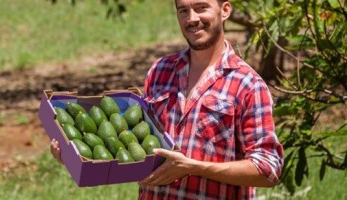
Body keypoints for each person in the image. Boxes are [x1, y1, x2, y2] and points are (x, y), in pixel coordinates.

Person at [51, 0, 284, 199]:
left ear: (225, 10)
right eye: (183, 10)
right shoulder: (160, 71)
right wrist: (77, 156)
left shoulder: (247, 85)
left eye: (201, 7)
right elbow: (131, 143)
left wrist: (195, 168)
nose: (192, 19)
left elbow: (268, 169)